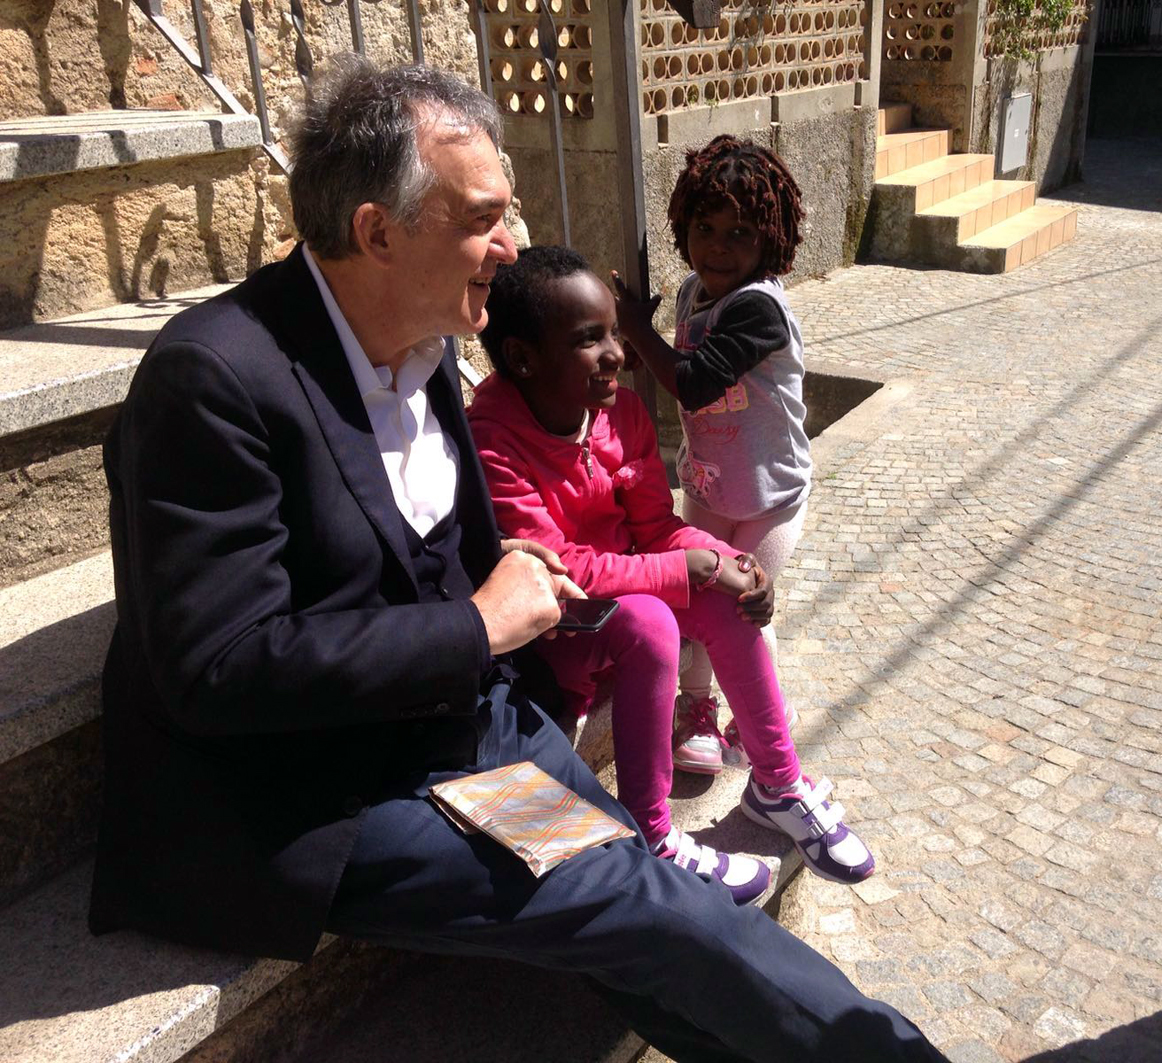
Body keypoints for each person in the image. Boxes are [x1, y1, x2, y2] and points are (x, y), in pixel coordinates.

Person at [87, 57, 947, 1063]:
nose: (512, 245)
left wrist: (545, 596)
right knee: (645, 902)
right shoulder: (211, 377)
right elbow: (217, 667)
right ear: (377, 231)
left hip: (464, 730)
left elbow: (448, 560)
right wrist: (479, 624)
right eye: (485, 217)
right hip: (317, 791)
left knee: (655, 907)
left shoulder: (423, 340)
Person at [468, 245, 875, 904]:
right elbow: (559, 570)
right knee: (653, 618)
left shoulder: (619, 413)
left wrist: (724, 563)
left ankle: (776, 781)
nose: (616, 354)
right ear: (522, 357)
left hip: (619, 599)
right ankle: (653, 837)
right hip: (553, 629)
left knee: (723, 595)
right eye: (588, 339)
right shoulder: (490, 439)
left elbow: (656, 528)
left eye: (613, 333)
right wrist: (690, 564)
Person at [613, 134, 811, 775]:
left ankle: (756, 720)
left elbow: (695, 381)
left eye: (740, 233)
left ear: (770, 240)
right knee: (700, 597)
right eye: (705, 227)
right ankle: (696, 709)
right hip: (704, 484)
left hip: (770, 498)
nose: (719, 247)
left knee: (746, 603)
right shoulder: (691, 293)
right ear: (682, 225)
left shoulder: (759, 309)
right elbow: (672, 378)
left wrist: (636, 333)